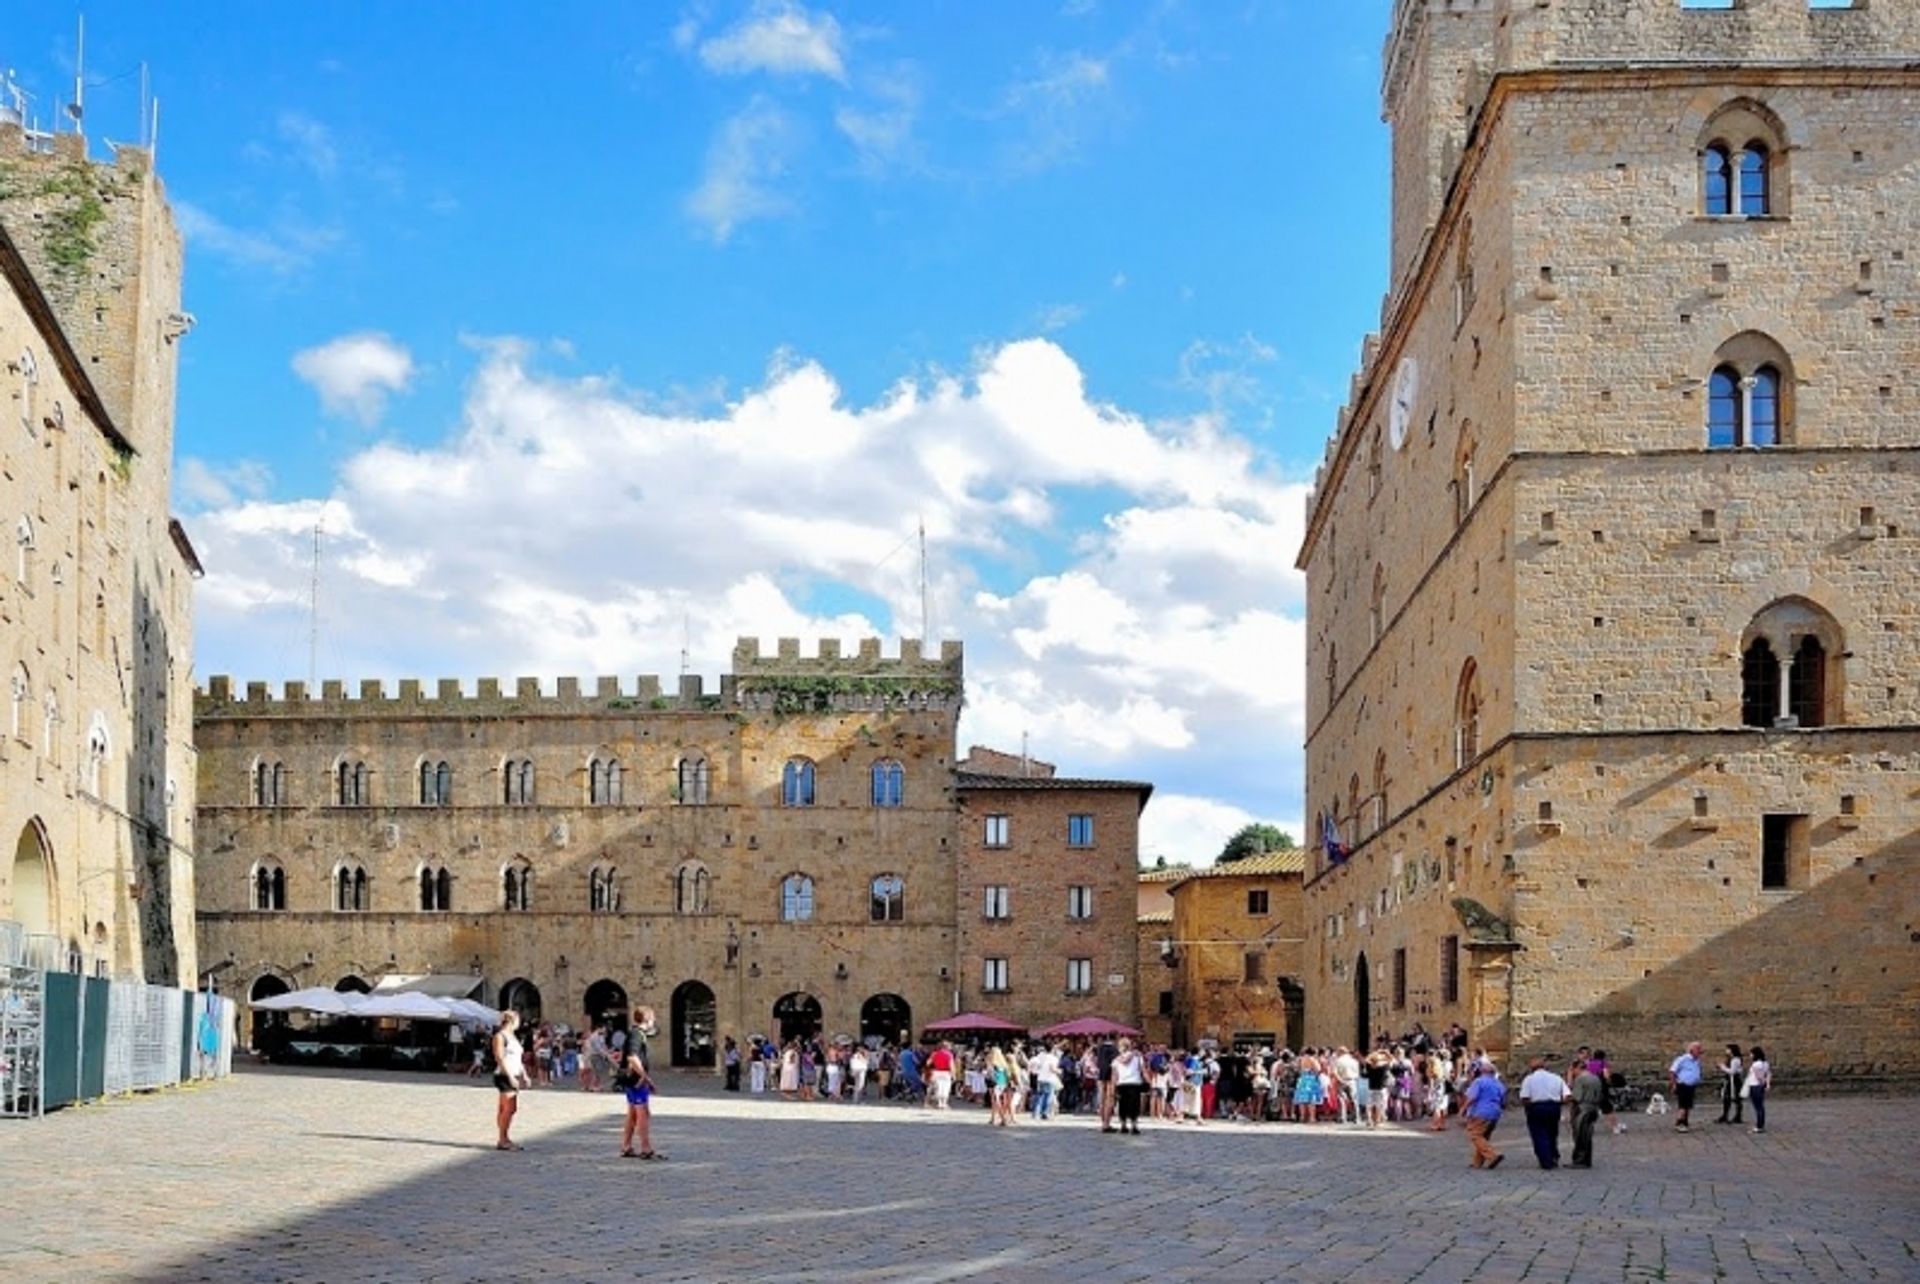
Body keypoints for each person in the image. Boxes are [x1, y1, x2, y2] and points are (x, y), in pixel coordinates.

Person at [1517, 1056, 1569, 1169]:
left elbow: (1524, 1097)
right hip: (1554, 1107)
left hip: (1536, 1107)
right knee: (1552, 1133)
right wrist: (1558, 1103)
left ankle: (1546, 1160)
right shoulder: (1556, 1077)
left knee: (1539, 1134)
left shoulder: (1529, 1079)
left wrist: (1529, 1107)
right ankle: (1554, 1155)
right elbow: (1567, 1095)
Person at [617, 1038, 665, 1160]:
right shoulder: (636, 1034)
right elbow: (632, 1057)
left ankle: (626, 1146)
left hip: (631, 1081)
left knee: (632, 1113)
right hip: (637, 1081)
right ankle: (645, 1148)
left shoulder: (634, 1034)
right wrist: (645, 1078)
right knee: (642, 1113)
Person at [491, 1010, 530, 1151]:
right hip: (504, 1075)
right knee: (509, 1108)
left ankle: (504, 1137)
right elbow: (500, 1058)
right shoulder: (500, 1036)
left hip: (513, 1073)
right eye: (518, 1020)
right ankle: (503, 1139)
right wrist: (510, 1076)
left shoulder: (513, 1036)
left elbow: (517, 1059)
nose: (520, 1023)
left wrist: (524, 1074)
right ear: (512, 1021)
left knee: (505, 1109)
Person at [1462, 1063, 1506, 1169]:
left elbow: (1472, 1097)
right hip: (1495, 1113)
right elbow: (1503, 1101)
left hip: (1480, 1112)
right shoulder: (1499, 1084)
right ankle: (1478, 1162)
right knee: (1484, 1137)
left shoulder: (1479, 1081)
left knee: (1475, 1135)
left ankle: (1493, 1156)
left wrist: (1463, 1109)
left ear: (1482, 1071)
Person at [1569, 1060, 1604, 1168]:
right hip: (1594, 1107)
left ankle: (1580, 1160)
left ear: (1576, 1068)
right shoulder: (1595, 1078)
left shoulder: (1580, 1079)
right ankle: (1587, 1159)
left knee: (1580, 1136)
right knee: (1587, 1135)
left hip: (1583, 1108)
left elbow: (1577, 1097)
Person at [1112, 1038, 1147, 1135]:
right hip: (1135, 1083)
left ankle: (1123, 1125)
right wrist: (1149, 1081)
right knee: (1134, 1105)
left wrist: (1113, 1088)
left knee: (1123, 1104)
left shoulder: (1116, 1060)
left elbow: (1115, 1075)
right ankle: (1134, 1125)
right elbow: (1143, 1070)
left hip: (1122, 1084)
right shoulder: (1138, 1057)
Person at [1668, 1041, 1705, 1132]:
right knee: (1683, 1106)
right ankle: (1679, 1123)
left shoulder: (1697, 1061)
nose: (1700, 1051)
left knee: (1688, 1105)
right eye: (1698, 1049)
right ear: (1692, 1050)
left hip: (1691, 1086)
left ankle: (1685, 1122)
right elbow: (1672, 1071)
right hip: (1683, 1085)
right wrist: (1673, 1084)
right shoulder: (1682, 1059)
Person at [1716, 1044, 1745, 1125]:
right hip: (1729, 1080)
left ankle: (1738, 1116)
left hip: (1734, 1081)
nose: (1726, 1051)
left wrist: (1722, 1067)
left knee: (1736, 1097)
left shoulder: (1735, 1059)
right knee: (1726, 1097)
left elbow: (1732, 1071)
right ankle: (1725, 1115)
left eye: (1727, 1049)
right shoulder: (1731, 1059)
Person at [1745, 1046, 1770, 1134]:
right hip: (1760, 1086)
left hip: (1755, 1085)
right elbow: (1768, 1074)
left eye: (1751, 1054)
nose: (1750, 1055)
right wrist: (1767, 1084)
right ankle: (1760, 1124)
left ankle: (1759, 1126)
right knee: (1760, 1106)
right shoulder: (1765, 1063)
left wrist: (1762, 1082)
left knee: (1758, 1107)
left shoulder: (1756, 1064)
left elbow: (1759, 1075)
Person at [927, 1041, 956, 1109]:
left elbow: (928, 1063)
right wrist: (954, 1075)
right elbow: (951, 1066)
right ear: (946, 1047)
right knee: (946, 1088)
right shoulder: (949, 1054)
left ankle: (939, 1103)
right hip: (946, 1072)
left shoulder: (935, 1054)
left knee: (938, 1088)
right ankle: (944, 1103)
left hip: (936, 1072)